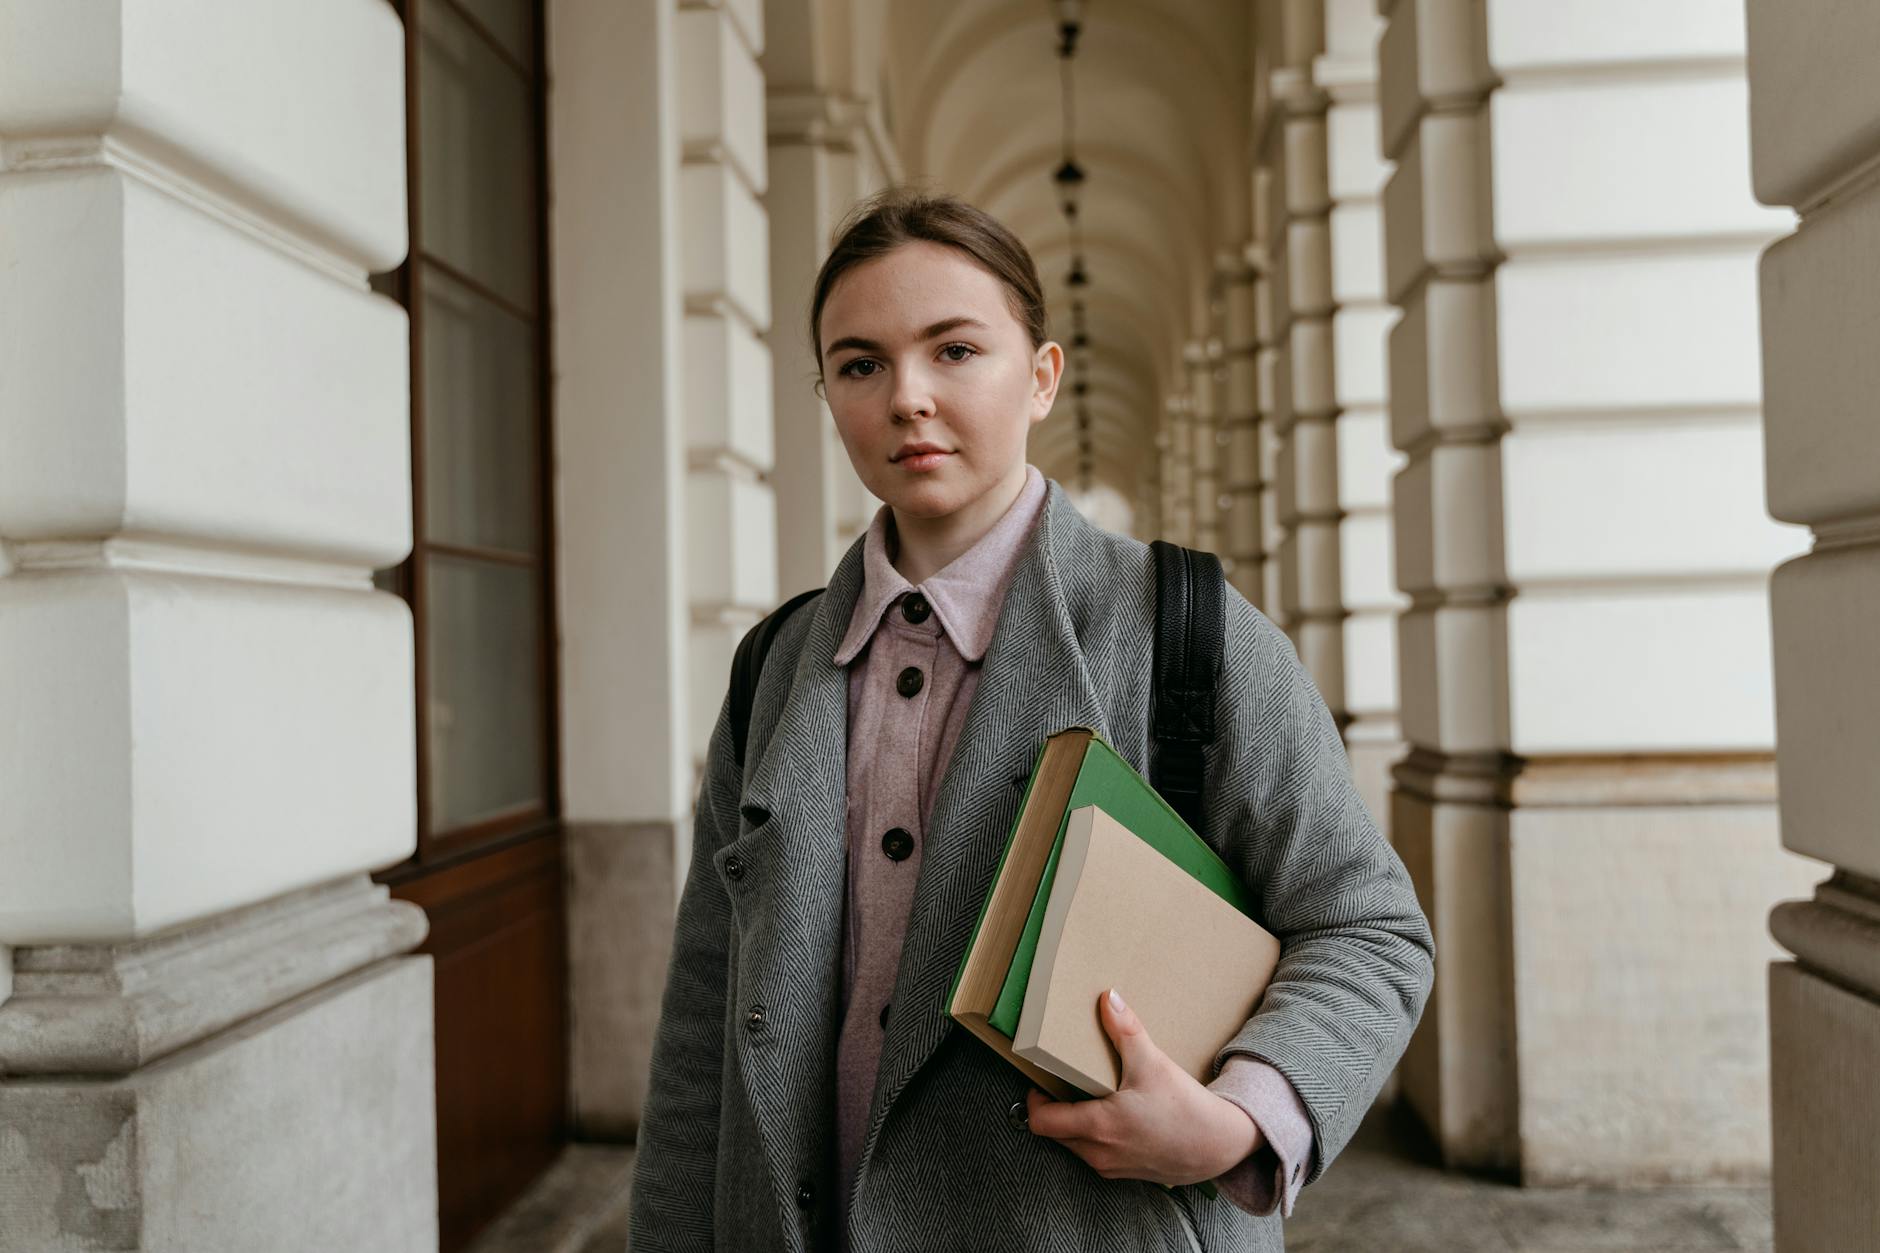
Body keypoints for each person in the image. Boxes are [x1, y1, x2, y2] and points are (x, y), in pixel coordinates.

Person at [627, 188, 1434, 1253]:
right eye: (860, 364)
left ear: (1040, 375)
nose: (906, 396)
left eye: (954, 350)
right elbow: (703, 1020)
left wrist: (1236, 1118)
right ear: (827, 392)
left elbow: (1366, 926)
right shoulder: (773, 664)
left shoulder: (1185, 630)